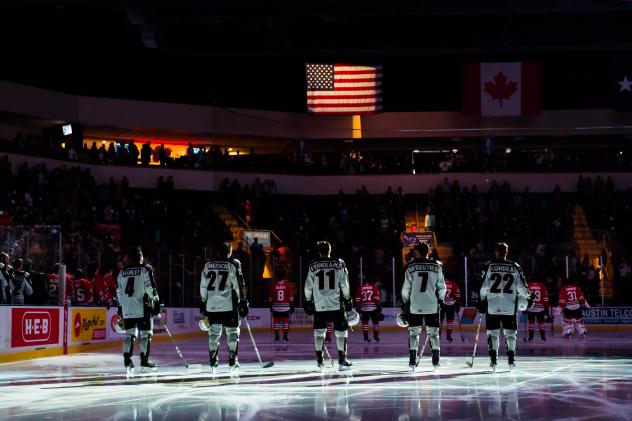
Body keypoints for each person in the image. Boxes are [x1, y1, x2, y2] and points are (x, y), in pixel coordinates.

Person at [479, 242, 531, 370]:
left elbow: (484, 286)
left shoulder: (489, 266)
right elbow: (522, 287)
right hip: (509, 305)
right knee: (511, 334)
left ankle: (493, 359)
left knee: (492, 333)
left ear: (495, 252)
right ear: (506, 252)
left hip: (492, 305)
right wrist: (529, 296)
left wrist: (481, 300)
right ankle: (511, 359)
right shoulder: (515, 266)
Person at [304, 241, 353, 371]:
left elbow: (308, 285)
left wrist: (308, 300)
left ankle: (320, 361)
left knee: (319, 334)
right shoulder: (339, 263)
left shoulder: (313, 265)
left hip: (319, 305)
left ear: (319, 252)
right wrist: (348, 299)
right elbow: (344, 283)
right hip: (336, 304)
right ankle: (342, 359)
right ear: (330, 250)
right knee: (341, 333)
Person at [200, 242, 249, 372]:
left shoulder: (207, 265)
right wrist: (242, 301)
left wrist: (204, 302)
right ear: (229, 252)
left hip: (212, 306)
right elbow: (239, 285)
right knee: (233, 332)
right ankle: (233, 359)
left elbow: (203, 286)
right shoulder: (233, 264)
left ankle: (213, 359)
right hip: (229, 305)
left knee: (214, 333)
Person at [401, 242, 446, 370]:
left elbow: (406, 289)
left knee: (414, 333)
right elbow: (442, 287)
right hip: (432, 304)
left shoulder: (410, 266)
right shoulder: (437, 266)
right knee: (434, 333)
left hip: (415, 304)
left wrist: (405, 302)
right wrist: (441, 300)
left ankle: (412, 358)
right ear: (428, 251)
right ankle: (436, 359)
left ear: (417, 252)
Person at [116, 248, 160, 373]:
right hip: (142, 307)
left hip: (127, 308)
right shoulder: (145, 270)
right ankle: (144, 361)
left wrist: (121, 306)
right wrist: (156, 302)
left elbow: (118, 291)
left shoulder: (122, 272)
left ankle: (127, 361)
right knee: (145, 334)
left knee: (129, 334)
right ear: (141, 258)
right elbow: (150, 287)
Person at [268, 270, 295, 342]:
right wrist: (292, 306)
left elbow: (270, 298)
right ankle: (285, 337)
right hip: (286, 307)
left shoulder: (273, 285)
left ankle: (277, 337)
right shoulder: (288, 285)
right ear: (284, 277)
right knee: (286, 322)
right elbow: (291, 298)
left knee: (276, 322)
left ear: (277, 278)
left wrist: (270, 306)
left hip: (276, 307)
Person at [354, 276, 383, 343]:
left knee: (365, 324)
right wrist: (378, 306)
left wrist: (358, 307)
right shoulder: (374, 287)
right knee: (375, 323)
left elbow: (357, 299)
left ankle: (365, 338)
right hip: (373, 308)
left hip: (364, 308)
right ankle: (376, 338)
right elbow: (377, 298)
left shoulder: (360, 288)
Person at [441, 276, 461, 342]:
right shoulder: (453, 284)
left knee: (440, 320)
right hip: (450, 304)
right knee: (450, 320)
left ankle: (438, 335)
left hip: (442, 304)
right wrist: (458, 304)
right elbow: (457, 294)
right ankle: (448, 336)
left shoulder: (440, 283)